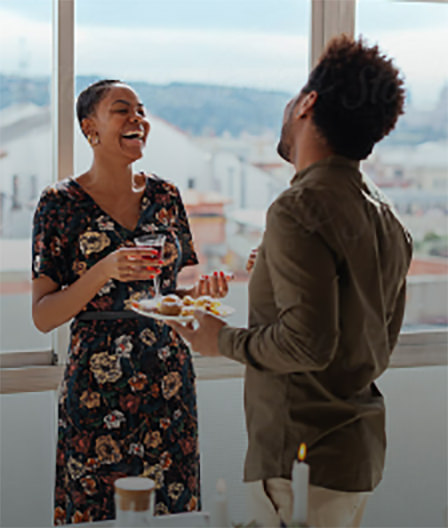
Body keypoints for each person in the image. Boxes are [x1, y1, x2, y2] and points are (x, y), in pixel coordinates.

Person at [168, 35, 413, 528]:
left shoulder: (298, 208)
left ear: (308, 103)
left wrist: (221, 341)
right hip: (355, 455)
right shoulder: (385, 217)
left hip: (303, 454)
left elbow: (309, 345)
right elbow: (370, 341)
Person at [31, 79, 230, 525]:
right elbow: (43, 316)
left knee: (172, 512)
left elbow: (173, 294)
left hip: (168, 381)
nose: (137, 119)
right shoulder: (59, 204)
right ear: (90, 128)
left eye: (141, 110)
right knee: (94, 511)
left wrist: (201, 297)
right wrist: (103, 270)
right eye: (122, 110)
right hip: (97, 388)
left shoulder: (166, 196)